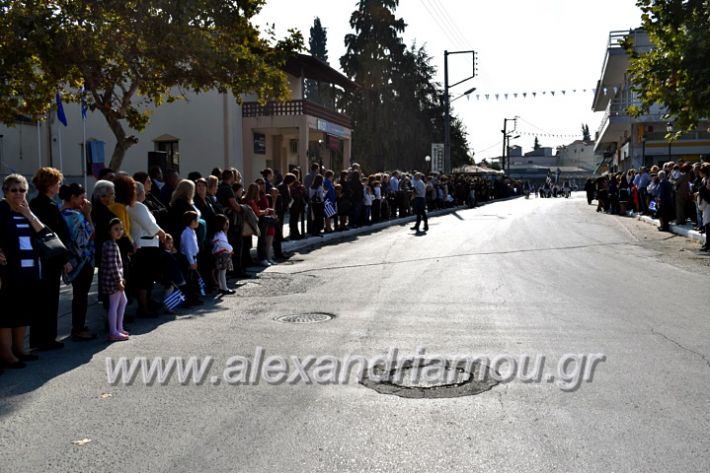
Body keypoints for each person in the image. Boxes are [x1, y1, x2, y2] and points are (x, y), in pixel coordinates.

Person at [0, 175, 46, 368]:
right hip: (8, 271)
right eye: (14, 190)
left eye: (22, 190)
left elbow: (44, 233)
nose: (18, 193)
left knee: (23, 311)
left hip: (29, 270)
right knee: (6, 314)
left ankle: (20, 349)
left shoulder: (27, 212)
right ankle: (7, 354)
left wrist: (28, 214)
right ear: (5, 192)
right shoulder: (1, 211)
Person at [29, 167, 69, 350]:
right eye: (58, 183)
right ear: (51, 185)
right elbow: (55, 235)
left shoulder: (34, 203)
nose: (59, 186)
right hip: (50, 258)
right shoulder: (49, 206)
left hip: (40, 257)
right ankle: (47, 338)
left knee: (40, 301)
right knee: (50, 299)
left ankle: (38, 338)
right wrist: (64, 260)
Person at [59, 183, 97, 341]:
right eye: (81, 197)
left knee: (79, 295)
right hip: (82, 261)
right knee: (81, 296)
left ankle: (79, 325)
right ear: (73, 198)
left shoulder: (62, 213)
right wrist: (88, 215)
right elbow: (87, 236)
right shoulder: (75, 216)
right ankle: (78, 328)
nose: (84, 201)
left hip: (73, 261)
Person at [127, 182, 166, 317]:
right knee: (144, 279)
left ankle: (146, 304)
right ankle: (144, 308)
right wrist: (162, 234)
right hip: (145, 247)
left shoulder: (134, 206)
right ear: (139, 193)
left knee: (146, 279)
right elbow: (150, 225)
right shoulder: (137, 206)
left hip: (145, 246)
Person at [100, 218, 129, 341]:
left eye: (121, 229)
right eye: (116, 229)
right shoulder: (110, 245)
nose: (119, 231)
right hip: (112, 282)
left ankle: (119, 328)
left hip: (114, 280)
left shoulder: (112, 244)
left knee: (123, 302)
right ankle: (113, 332)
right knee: (114, 305)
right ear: (109, 231)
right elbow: (113, 266)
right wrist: (119, 280)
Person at [180, 211, 203, 307]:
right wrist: (191, 262)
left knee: (193, 280)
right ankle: (188, 300)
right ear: (191, 221)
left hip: (193, 257)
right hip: (188, 259)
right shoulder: (186, 233)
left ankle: (194, 298)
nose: (197, 222)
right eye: (196, 220)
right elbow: (188, 249)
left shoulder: (192, 231)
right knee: (189, 281)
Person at [211, 214, 235, 295]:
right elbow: (223, 244)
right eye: (226, 223)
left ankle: (221, 287)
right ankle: (224, 288)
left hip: (220, 254)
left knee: (220, 272)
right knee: (222, 272)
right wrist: (231, 249)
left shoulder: (217, 234)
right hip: (222, 255)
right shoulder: (220, 235)